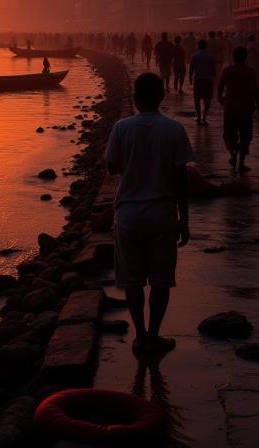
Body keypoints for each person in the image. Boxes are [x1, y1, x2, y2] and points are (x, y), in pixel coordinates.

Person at [105, 73, 193, 355]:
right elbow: (181, 179)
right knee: (160, 280)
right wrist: (185, 219)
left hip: (129, 215)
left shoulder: (121, 128)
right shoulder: (174, 130)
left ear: (135, 99)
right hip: (162, 215)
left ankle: (140, 335)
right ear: (162, 97)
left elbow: (111, 167)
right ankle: (154, 335)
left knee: (132, 281)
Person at [218, 46, 259, 173]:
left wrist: (222, 102)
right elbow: (256, 92)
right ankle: (241, 163)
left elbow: (220, 89)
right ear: (245, 57)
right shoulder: (250, 72)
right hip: (246, 108)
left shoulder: (227, 71)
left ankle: (233, 154)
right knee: (245, 136)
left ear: (233, 57)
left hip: (230, 107)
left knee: (229, 134)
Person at [189, 39, 217, 125]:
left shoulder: (195, 56)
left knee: (196, 100)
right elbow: (213, 70)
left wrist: (190, 79)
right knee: (207, 100)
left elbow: (191, 69)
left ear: (198, 46)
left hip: (198, 80)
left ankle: (199, 117)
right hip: (207, 80)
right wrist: (214, 79)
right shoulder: (210, 57)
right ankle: (204, 118)